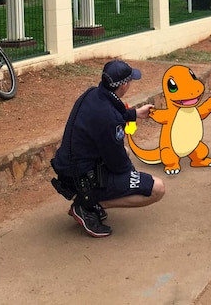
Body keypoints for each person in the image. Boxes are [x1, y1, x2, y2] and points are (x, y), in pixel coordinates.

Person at [51, 60, 165, 237]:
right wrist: (133, 178)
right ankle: (88, 205)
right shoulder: (110, 120)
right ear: (124, 85)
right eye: (130, 81)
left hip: (69, 168)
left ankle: (89, 200)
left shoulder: (92, 94)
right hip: (81, 178)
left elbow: (110, 112)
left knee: (125, 152)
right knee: (157, 188)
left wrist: (134, 114)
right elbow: (119, 164)